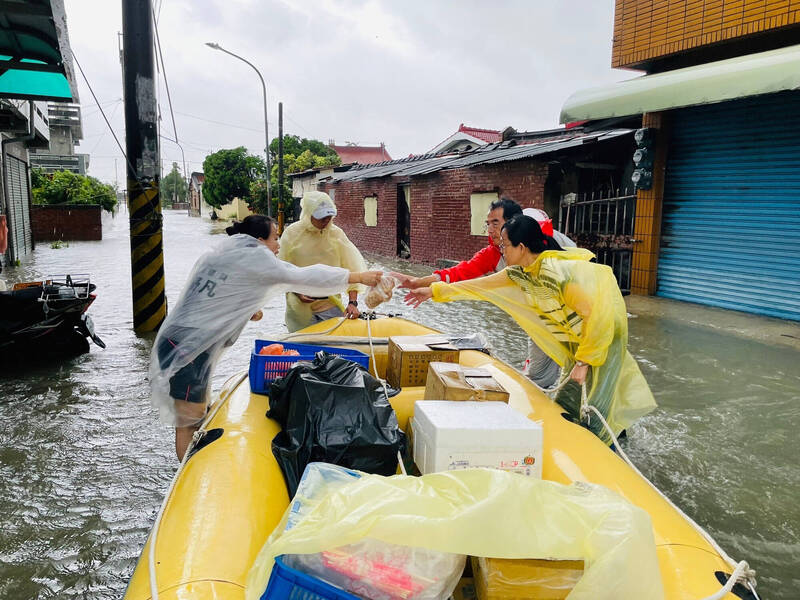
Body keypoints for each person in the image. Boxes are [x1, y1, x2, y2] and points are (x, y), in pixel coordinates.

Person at [404, 214, 656, 444]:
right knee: (568, 401)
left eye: (505, 245)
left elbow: (599, 315)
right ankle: (577, 444)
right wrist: (434, 291)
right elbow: (478, 287)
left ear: (522, 247)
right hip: (576, 343)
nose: (501, 251)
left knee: (596, 411)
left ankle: (609, 456)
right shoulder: (520, 274)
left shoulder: (558, 274)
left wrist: (584, 361)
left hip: (602, 340)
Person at [150, 214, 383, 459]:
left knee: (197, 410)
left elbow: (215, 297)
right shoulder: (255, 257)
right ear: (259, 240)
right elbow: (304, 275)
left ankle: (195, 458)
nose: (278, 244)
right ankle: (187, 476)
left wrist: (248, 309)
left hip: (183, 342)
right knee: (187, 420)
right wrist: (358, 278)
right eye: (274, 237)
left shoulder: (223, 255)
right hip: (188, 348)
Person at [392, 198, 568, 390]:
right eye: (488, 223)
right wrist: (420, 283)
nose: (490, 229)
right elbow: (465, 278)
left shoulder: (552, 257)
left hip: (573, 319)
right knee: (540, 379)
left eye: (495, 223)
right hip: (540, 319)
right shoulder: (500, 258)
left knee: (576, 378)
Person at [279, 191, 367, 332]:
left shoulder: (336, 234)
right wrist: (296, 291)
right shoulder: (292, 233)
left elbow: (352, 269)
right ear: (309, 214)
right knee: (302, 346)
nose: (326, 221)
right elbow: (280, 270)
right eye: (321, 217)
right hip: (299, 307)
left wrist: (352, 302)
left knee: (333, 346)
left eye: (329, 216)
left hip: (330, 303)